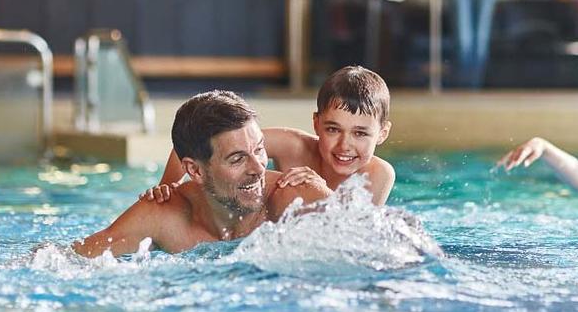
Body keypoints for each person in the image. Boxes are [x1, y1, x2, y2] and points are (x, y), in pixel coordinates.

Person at [73, 91, 331, 258]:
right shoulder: (165, 217)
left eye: (260, 149)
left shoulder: (297, 199)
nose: (258, 168)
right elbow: (67, 259)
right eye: (237, 158)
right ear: (195, 170)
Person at [142, 66, 396, 207]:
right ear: (316, 124)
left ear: (382, 133)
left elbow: (355, 237)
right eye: (333, 129)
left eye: (360, 133)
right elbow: (203, 141)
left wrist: (319, 191)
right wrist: (169, 186)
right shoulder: (293, 146)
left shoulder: (378, 174)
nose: (345, 145)